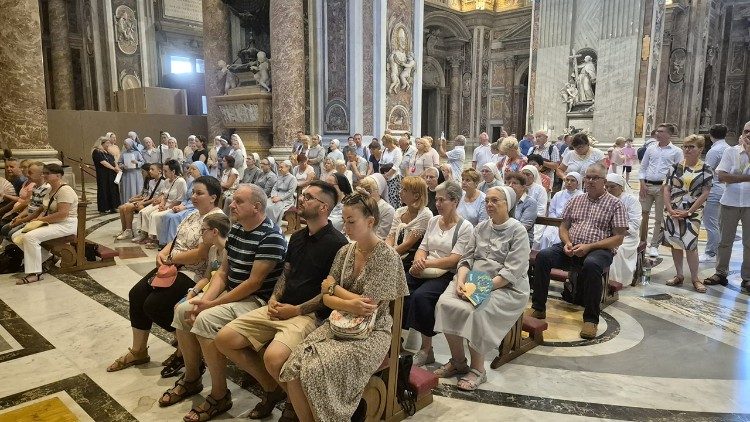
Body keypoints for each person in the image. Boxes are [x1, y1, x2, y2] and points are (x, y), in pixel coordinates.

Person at [215, 181, 348, 421]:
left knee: (273, 358)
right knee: (224, 339)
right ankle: (274, 389)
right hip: (280, 306)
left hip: (308, 315)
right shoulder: (297, 237)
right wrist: (275, 297)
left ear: (323, 207)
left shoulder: (338, 245)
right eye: (302, 195)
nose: (301, 199)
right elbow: (286, 273)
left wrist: (295, 309)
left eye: (309, 197)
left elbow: (330, 293)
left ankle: (297, 406)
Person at [161, 184, 287, 422]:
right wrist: (206, 300)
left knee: (206, 320)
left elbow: (254, 283)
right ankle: (191, 378)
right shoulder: (238, 230)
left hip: (256, 301)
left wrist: (209, 307)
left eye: (239, 201)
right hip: (233, 292)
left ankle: (220, 394)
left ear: (257, 207)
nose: (232, 204)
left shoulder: (271, 236)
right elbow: (222, 273)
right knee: (183, 310)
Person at [278, 191, 408, 422]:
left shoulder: (387, 257)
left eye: (351, 221)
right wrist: (340, 296)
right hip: (338, 323)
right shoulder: (345, 252)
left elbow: (367, 307)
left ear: (370, 222)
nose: (346, 227)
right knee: (293, 367)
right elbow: (326, 299)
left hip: (370, 333)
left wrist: (334, 288)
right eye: (344, 221)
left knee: (314, 370)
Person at [107, 178, 225, 373]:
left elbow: (201, 253)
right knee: (136, 294)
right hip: (174, 265)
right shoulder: (193, 214)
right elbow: (176, 239)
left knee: (154, 305)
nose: (193, 196)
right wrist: (164, 253)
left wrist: (172, 259)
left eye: (199, 193)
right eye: (193, 192)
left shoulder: (216, 220)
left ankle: (186, 343)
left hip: (194, 272)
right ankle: (139, 351)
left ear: (213, 197)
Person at [433, 186, 530, 391]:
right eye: (487, 201)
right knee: (445, 303)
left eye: (496, 201)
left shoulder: (518, 231)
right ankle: (458, 361)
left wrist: (479, 290)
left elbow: (510, 272)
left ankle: (478, 370)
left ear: (508, 205)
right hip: (472, 281)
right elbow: (466, 259)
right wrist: (460, 281)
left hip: (505, 287)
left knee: (477, 313)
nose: (489, 204)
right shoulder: (481, 227)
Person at [531, 164, 627, 339]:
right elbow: (564, 226)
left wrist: (590, 247)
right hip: (572, 246)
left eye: (594, 178)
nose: (590, 181)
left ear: (604, 181)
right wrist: (567, 242)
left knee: (591, 265)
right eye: (588, 177)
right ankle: (538, 308)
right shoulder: (576, 200)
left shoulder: (615, 204)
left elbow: (618, 237)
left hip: (599, 250)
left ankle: (591, 320)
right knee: (543, 256)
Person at [405, 180, 472, 367]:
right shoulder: (434, 220)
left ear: (455, 201)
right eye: (437, 200)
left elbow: (454, 259)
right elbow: (423, 246)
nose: (438, 204)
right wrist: (419, 260)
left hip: (446, 273)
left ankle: (427, 349)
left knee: (421, 297)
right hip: (424, 267)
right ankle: (396, 340)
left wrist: (424, 262)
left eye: (443, 200)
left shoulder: (464, 227)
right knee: (399, 289)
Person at [661, 135, 712, 292]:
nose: (687, 150)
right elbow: (667, 188)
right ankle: (679, 274)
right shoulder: (674, 167)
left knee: (691, 245)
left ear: (700, 149)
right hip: (673, 209)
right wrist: (669, 208)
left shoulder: (706, 169)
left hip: (693, 211)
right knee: (675, 243)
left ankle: (695, 278)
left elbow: (705, 193)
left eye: (692, 147)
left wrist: (689, 211)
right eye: (685, 146)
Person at [705, 122, 750, 291]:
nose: (748, 134)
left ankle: (747, 277)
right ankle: (720, 272)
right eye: (746, 131)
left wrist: (736, 176)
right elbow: (722, 176)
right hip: (729, 201)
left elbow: (729, 176)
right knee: (724, 240)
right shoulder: (730, 151)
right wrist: (745, 178)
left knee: (749, 242)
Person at [15, 164, 79, 284]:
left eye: (47, 173)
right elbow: (44, 209)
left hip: (65, 224)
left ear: (58, 175)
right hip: (53, 222)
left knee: (30, 237)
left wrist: (41, 221)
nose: (43, 175)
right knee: (17, 235)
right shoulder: (50, 189)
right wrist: (33, 221)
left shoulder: (65, 190)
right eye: (43, 173)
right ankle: (48, 257)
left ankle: (35, 273)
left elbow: (62, 214)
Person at [638, 123, 683, 258]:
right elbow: (643, 167)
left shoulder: (676, 151)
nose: (658, 133)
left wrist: (668, 186)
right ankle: (641, 242)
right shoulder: (651, 148)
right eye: (657, 131)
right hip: (647, 185)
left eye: (661, 131)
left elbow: (678, 171)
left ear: (669, 134)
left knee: (659, 218)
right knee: (643, 215)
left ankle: (654, 245)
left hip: (663, 188)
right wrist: (642, 183)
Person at [134, 160, 187, 247]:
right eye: (163, 171)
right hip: (165, 204)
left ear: (173, 171)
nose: (164, 173)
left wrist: (167, 207)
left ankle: (156, 239)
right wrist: (162, 203)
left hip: (174, 205)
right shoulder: (166, 181)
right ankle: (145, 234)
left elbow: (180, 200)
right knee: (144, 212)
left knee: (155, 215)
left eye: (166, 171)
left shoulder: (181, 181)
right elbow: (164, 195)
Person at [386, 176, 432, 272]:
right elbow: (391, 235)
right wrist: (386, 251)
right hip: (395, 253)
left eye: (405, 190)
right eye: (401, 188)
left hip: (411, 258)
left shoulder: (425, 214)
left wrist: (387, 256)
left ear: (416, 196)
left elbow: (408, 244)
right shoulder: (399, 211)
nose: (400, 192)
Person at [160, 161, 211, 246]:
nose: (191, 171)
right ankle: (165, 243)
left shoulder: (205, 183)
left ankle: (173, 244)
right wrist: (181, 205)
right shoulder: (192, 182)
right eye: (190, 169)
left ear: (201, 170)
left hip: (196, 207)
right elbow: (186, 197)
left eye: (194, 169)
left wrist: (185, 207)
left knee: (174, 217)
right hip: (186, 205)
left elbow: (201, 200)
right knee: (167, 215)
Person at [605, 174, 642, 287]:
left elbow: (635, 224)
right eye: (606, 187)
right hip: (606, 233)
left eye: (612, 187)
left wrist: (617, 231)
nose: (609, 190)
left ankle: (612, 283)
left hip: (627, 236)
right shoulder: (604, 198)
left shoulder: (631, 200)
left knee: (616, 250)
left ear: (621, 187)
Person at [700, 124, 729, 263]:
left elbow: (707, 172)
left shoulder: (714, 150)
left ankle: (711, 252)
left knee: (710, 222)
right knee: (717, 222)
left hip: (714, 188)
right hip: (724, 188)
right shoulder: (729, 148)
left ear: (710, 135)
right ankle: (716, 251)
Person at [0, 162, 49, 242]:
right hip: (27, 217)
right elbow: (30, 206)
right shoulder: (35, 187)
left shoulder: (47, 189)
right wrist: (19, 216)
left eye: (30, 173)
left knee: (11, 233)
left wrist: (22, 219)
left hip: (36, 220)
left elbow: (39, 212)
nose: (27, 175)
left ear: (41, 174)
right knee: (5, 228)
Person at [115, 164, 163, 241]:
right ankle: (126, 230)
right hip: (149, 201)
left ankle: (141, 232)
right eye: (149, 169)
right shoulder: (151, 181)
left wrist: (141, 203)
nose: (150, 171)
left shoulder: (163, 182)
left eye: (152, 169)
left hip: (155, 203)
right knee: (122, 207)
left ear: (159, 171)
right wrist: (141, 201)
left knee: (131, 207)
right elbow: (148, 195)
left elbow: (156, 198)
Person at [539, 172, 583, 250]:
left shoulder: (581, 196)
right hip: (555, 223)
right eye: (567, 180)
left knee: (559, 241)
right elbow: (551, 211)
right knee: (546, 236)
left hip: (570, 226)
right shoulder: (558, 194)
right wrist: (557, 222)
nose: (569, 183)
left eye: (572, 181)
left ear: (578, 183)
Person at [357, 174, 395, 239]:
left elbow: (380, 237)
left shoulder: (388, 210)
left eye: (368, 190)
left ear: (378, 191)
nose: (365, 193)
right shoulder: (360, 205)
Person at [505, 172, 538, 246]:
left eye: (514, 183)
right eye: (508, 183)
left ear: (523, 187)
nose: (510, 185)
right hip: (504, 236)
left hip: (522, 239)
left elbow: (524, 226)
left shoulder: (530, 202)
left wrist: (504, 234)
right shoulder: (505, 200)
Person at [92, 136, 121, 213]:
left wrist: (117, 167)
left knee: (113, 190)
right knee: (104, 190)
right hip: (103, 175)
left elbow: (114, 160)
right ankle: (104, 208)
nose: (109, 144)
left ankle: (114, 206)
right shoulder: (97, 152)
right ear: (102, 143)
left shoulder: (108, 152)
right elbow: (103, 162)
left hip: (112, 174)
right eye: (107, 143)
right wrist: (113, 168)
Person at [266, 160, 298, 225]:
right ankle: (265, 223)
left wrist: (280, 198)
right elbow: (274, 188)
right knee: (265, 205)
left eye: (281, 167)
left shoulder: (293, 178)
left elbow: (290, 192)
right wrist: (274, 196)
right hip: (275, 197)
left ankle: (273, 224)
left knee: (272, 208)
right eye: (279, 167)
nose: (279, 169)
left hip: (286, 199)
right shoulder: (279, 177)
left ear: (288, 167)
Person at [379, 134, 404, 209]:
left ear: (389, 142)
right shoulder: (384, 150)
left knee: (393, 197)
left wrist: (387, 175)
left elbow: (395, 166)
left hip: (393, 177)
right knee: (385, 196)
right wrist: (383, 176)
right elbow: (381, 162)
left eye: (384, 142)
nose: (383, 144)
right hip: (384, 176)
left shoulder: (397, 151)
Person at [118, 138, 145, 205]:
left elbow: (143, 162)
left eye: (126, 144)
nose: (125, 146)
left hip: (136, 174)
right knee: (127, 189)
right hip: (126, 174)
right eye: (124, 144)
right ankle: (126, 203)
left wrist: (136, 162)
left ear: (130, 144)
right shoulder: (123, 153)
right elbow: (119, 162)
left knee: (135, 188)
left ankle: (136, 204)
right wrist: (123, 166)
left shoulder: (137, 152)